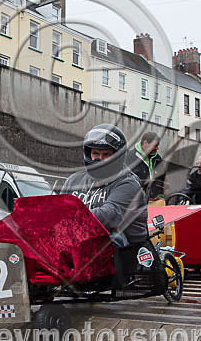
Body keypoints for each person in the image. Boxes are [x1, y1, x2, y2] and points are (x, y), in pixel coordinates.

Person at [61, 124, 152, 289]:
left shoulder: (128, 183)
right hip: (81, 235)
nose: (99, 159)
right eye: (95, 154)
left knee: (109, 235)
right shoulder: (74, 180)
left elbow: (110, 214)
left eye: (106, 155)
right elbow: (58, 208)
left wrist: (71, 222)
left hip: (123, 244)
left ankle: (80, 276)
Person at [126, 131, 165, 201]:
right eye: (155, 145)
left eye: (158, 145)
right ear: (145, 143)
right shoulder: (129, 158)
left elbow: (161, 179)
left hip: (154, 202)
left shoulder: (158, 159)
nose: (157, 148)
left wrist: (160, 195)